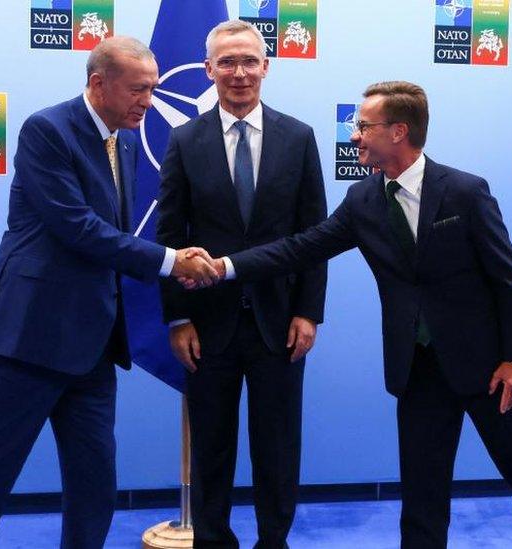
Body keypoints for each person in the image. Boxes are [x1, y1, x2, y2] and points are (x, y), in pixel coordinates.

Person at [206, 81, 512, 548]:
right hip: (416, 369)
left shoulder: (464, 191)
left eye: (364, 126)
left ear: (399, 131)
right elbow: (300, 248)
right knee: (422, 494)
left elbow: (508, 280)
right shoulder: (362, 200)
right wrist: (227, 267)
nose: (355, 135)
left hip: (490, 369)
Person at [0, 36, 218, 549]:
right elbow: (78, 228)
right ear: (97, 83)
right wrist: (172, 261)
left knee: (94, 487)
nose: (148, 102)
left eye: (152, 89)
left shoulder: (127, 140)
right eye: (137, 90)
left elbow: (114, 234)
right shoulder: (47, 130)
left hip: (93, 349)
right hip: (24, 345)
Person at [156, 20, 327, 549]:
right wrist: (178, 316)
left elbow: (315, 234)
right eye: (226, 62)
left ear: (266, 67)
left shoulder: (299, 137)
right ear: (208, 70)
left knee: (278, 446)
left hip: (281, 322)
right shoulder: (184, 140)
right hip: (208, 324)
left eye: (249, 61)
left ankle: (274, 540)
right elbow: (169, 237)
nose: (239, 73)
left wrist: (308, 312)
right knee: (212, 445)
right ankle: (212, 540)